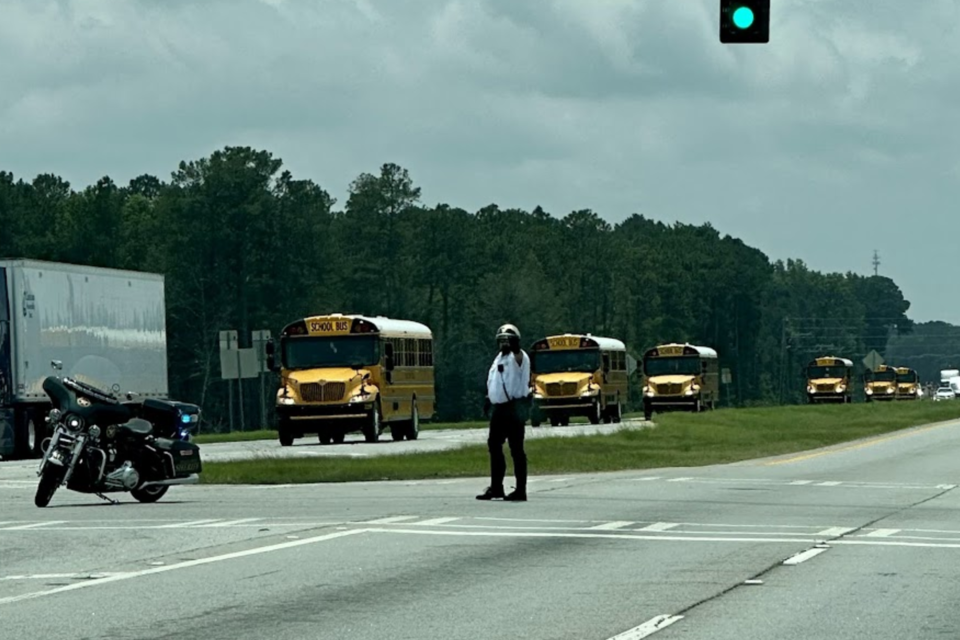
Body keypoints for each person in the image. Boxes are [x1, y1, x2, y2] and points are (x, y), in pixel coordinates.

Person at [477, 323, 531, 502]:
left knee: (516, 449)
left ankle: (520, 490)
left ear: (515, 342)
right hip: (499, 408)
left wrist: (515, 345)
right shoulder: (499, 358)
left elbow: (517, 357)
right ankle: (496, 487)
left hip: (514, 408)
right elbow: (496, 381)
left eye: (507, 341)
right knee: (494, 445)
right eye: (500, 341)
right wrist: (489, 398)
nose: (503, 345)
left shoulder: (519, 357)